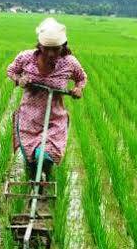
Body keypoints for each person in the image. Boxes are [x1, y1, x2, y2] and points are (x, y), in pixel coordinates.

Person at [6, 17, 87, 182]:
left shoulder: (69, 63)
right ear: (39, 45)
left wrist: (78, 89)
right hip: (29, 115)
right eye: (46, 49)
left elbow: (81, 77)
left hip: (54, 116)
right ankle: (33, 178)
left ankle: (46, 175)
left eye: (55, 49)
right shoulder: (26, 58)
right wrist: (19, 80)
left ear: (63, 47)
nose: (51, 54)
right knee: (30, 156)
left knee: (47, 153)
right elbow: (11, 70)